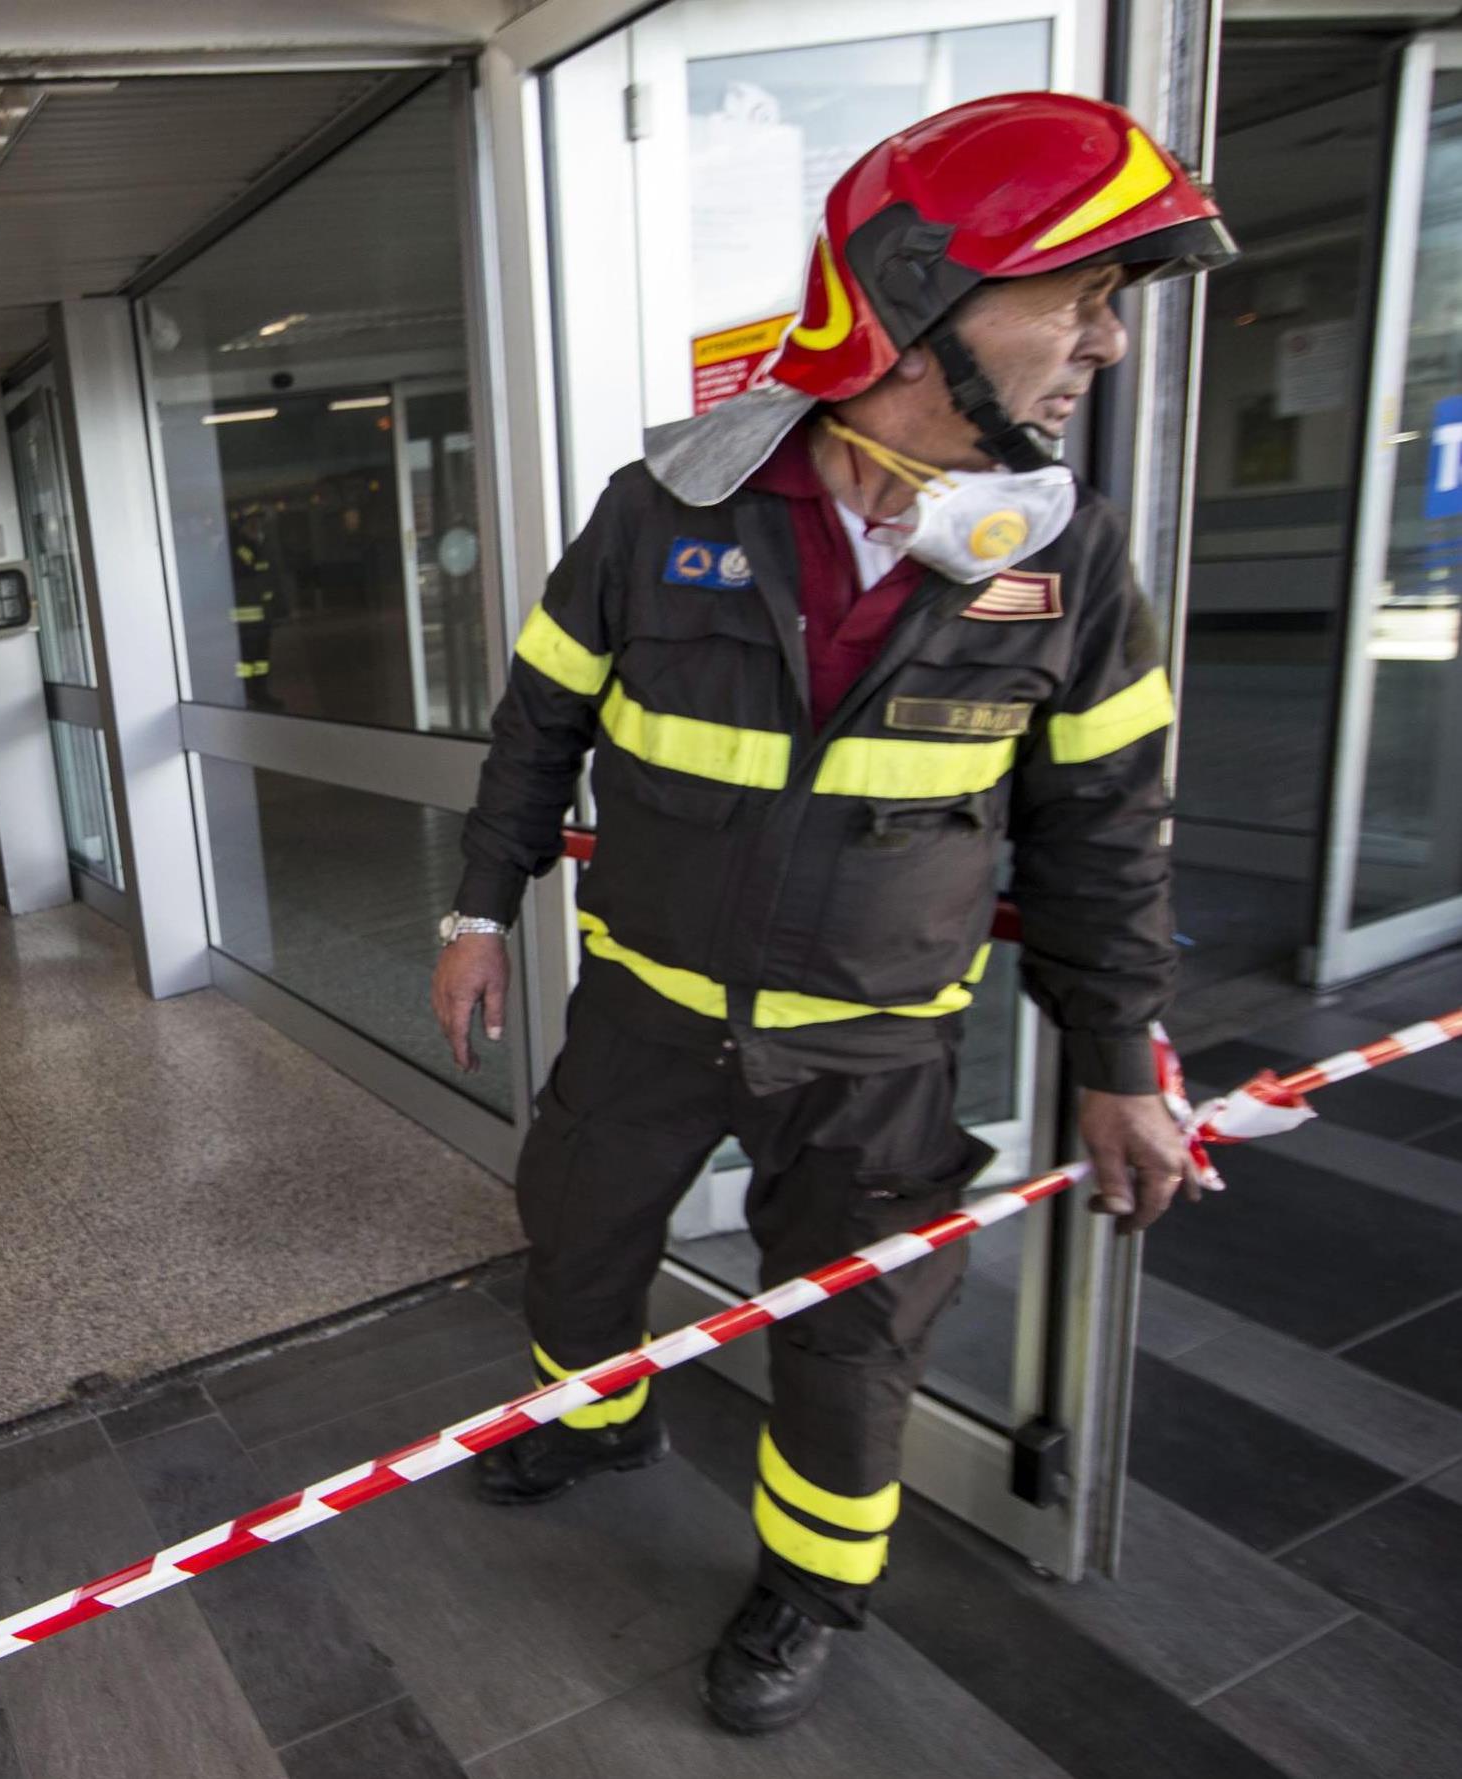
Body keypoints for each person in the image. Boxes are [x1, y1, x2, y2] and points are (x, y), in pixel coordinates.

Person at [430, 95, 1236, 1734]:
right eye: (1079, 300)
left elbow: (1101, 837)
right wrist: (474, 910)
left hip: (875, 1060)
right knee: (574, 1249)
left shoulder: (1069, 564)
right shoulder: (665, 508)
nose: (1104, 346)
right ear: (922, 300)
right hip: (645, 1014)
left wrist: (1117, 1063)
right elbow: (536, 727)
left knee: (851, 1346)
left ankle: (806, 1590)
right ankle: (598, 1424)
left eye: (1110, 308)